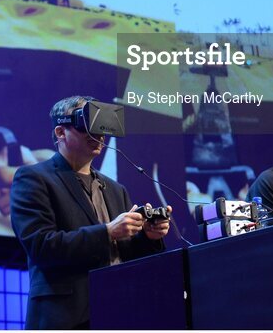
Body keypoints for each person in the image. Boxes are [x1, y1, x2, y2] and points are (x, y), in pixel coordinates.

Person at [10, 96, 170, 329]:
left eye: (102, 127)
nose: (99, 135)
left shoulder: (116, 189)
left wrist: (148, 237)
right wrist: (107, 232)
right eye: (87, 125)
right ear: (60, 132)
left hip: (118, 311)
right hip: (66, 316)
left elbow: (125, 255)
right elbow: (41, 246)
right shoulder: (34, 179)